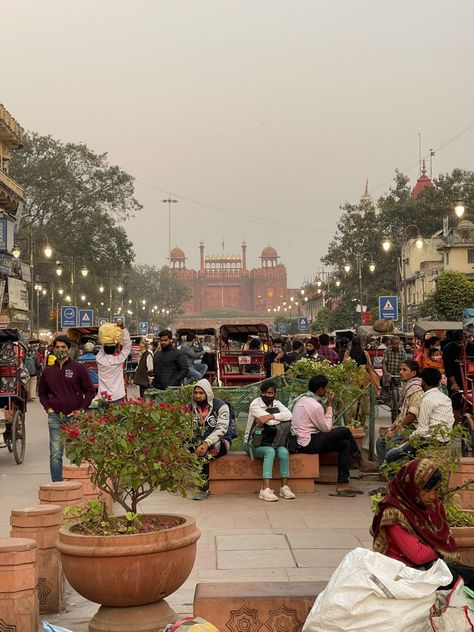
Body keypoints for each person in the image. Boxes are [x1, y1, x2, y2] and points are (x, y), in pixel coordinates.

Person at [371, 458, 474, 588]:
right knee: (464, 579)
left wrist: (437, 547)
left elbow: (440, 537)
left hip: (426, 566)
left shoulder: (427, 506)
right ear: (412, 488)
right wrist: (440, 548)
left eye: (435, 490)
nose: (433, 496)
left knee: (466, 575)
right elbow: (418, 555)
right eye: (427, 490)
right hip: (404, 573)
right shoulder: (394, 512)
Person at [291, 375, 379, 497]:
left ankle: (343, 484)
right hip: (308, 442)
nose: (327, 391)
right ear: (320, 390)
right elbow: (326, 428)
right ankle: (360, 460)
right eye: (326, 388)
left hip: (307, 440)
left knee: (345, 444)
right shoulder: (314, 405)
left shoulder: (302, 399)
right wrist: (330, 406)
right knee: (344, 431)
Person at [38, 335, 95, 481]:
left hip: (75, 417)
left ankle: (76, 483)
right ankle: (58, 485)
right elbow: (42, 393)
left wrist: (81, 409)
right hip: (55, 417)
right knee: (56, 453)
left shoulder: (79, 368)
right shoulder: (48, 372)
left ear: (69, 349)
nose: (60, 349)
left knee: (75, 451)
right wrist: (48, 408)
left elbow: (90, 391)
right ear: (53, 350)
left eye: (63, 347)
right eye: (57, 347)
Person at [384, 368, 455, 465]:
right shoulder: (445, 398)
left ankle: (397, 478)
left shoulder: (426, 400)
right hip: (445, 438)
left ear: (423, 382)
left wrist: (408, 439)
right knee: (408, 448)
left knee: (390, 455)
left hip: (429, 439)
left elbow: (422, 430)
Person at [244, 380, 295, 502]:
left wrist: (270, 416)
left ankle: (284, 487)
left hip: (273, 441)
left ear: (275, 394)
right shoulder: (255, 405)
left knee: (283, 452)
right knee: (270, 452)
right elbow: (271, 423)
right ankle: (265, 489)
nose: (267, 396)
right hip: (253, 443)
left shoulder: (276, 403)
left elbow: (289, 415)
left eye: (270, 393)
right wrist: (277, 418)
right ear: (261, 393)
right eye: (265, 393)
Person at [189, 379, 230, 500]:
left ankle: (203, 488)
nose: (198, 395)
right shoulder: (190, 407)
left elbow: (221, 429)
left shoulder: (221, 407)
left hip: (219, 442)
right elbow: (185, 428)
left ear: (207, 393)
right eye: (196, 393)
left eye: (201, 393)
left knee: (205, 452)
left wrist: (206, 443)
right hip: (197, 441)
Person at [376, 359, 423, 465]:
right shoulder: (407, 387)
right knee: (380, 441)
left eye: (404, 370)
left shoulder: (416, 389)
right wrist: (391, 428)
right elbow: (401, 414)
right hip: (405, 426)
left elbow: (411, 416)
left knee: (390, 444)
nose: (400, 372)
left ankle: (393, 472)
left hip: (414, 428)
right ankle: (384, 470)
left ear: (413, 373)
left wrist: (395, 430)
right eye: (400, 369)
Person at [96, 323, 131, 403]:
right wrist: (123, 329)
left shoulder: (99, 360)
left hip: (103, 397)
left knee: (104, 416)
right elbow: (127, 347)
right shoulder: (118, 360)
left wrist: (105, 337)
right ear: (115, 349)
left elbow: (102, 347)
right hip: (117, 396)